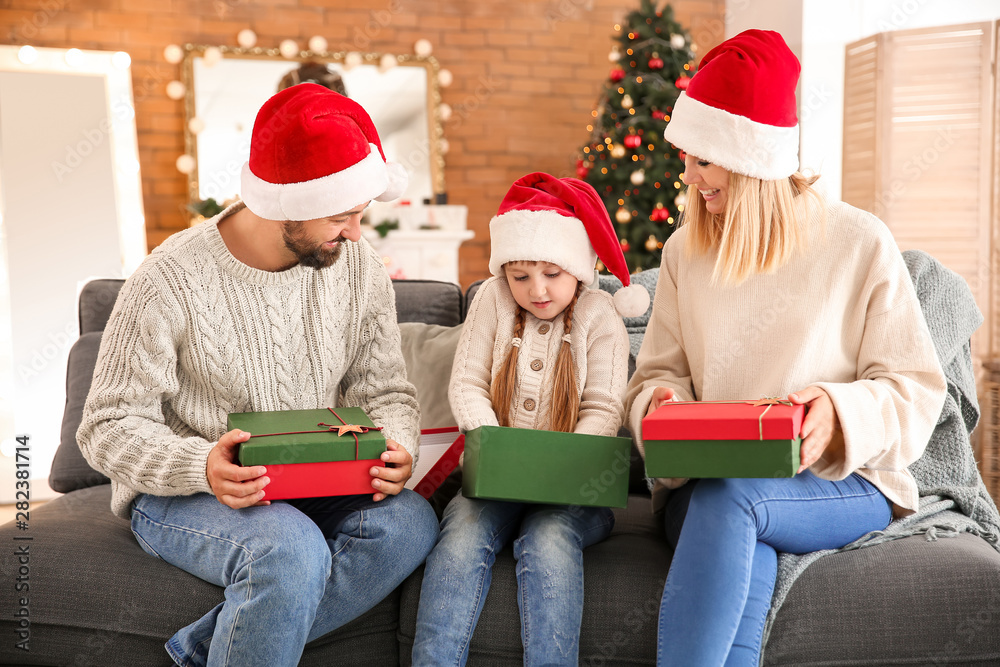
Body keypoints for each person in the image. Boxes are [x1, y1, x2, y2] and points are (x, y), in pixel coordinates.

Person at [77, 83, 439, 667]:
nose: (354, 232)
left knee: (409, 524)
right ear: (284, 203)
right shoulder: (168, 279)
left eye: (360, 214)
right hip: (188, 489)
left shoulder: (358, 267)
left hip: (315, 478)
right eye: (341, 214)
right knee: (288, 548)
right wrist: (202, 465)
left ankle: (205, 652)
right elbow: (106, 426)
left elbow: (385, 391)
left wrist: (394, 444)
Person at [624, 30, 947, 666]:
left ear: (749, 160)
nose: (687, 177)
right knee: (736, 511)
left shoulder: (858, 242)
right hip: (711, 481)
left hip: (837, 480)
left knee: (736, 498)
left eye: (703, 161)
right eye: (686, 158)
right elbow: (656, 377)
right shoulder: (684, 251)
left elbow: (915, 389)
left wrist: (837, 413)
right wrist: (661, 404)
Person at [411, 172, 650, 666]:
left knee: (548, 538)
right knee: (459, 540)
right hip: (494, 479)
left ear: (579, 270)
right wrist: (499, 451)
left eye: (551, 275)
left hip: (575, 489)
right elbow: (468, 384)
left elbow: (605, 408)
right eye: (520, 277)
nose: (536, 290)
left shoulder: (600, 316)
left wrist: (562, 467)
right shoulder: (492, 302)